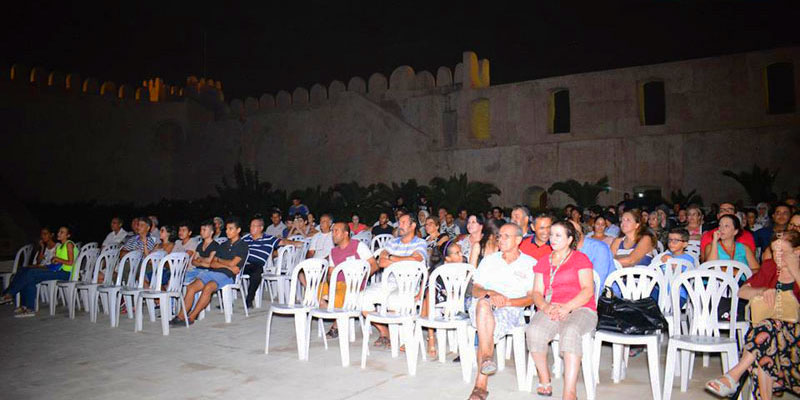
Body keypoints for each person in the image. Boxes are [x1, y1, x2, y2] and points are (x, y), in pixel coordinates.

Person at [705, 231, 800, 399]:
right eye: (774, 251)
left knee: (766, 332)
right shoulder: (771, 267)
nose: (776, 256)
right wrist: (763, 291)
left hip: (795, 339)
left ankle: (734, 376)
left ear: (797, 251)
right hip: (771, 336)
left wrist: (794, 268)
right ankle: (734, 377)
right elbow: (742, 291)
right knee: (766, 337)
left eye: (782, 252)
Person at [527, 221, 597, 399]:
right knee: (534, 330)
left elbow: (588, 290)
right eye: (551, 235)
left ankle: (570, 392)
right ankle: (545, 379)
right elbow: (536, 292)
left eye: (558, 235)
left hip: (581, 308)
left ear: (569, 239)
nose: (553, 238)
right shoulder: (544, 261)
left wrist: (567, 307)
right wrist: (545, 306)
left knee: (570, 331)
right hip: (552, 307)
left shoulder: (580, 259)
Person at [467, 224, 536, 400]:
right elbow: (475, 289)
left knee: (485, 325)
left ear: (519, 240)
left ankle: (480, 384)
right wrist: (492, 294)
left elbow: (532, 298)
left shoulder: (529, 264)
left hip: (511, 308)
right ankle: (487, 359)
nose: (501, 239)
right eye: (500, 236)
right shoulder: (490, 260)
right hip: (484, 305)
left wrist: (507, 301)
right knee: (483, 305)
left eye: (506, 236)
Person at [364, 214, 428, 347]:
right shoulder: (392, 242)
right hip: (390, 282)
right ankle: (385, 332)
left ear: (413, 225)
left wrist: (392, 257)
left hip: (409, 284)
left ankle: (404, 339)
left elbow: (416, 259)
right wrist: (405, 259)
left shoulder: (420, 242)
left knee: (393, 300)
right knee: (363, 298)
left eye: (404, 222)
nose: (400, 225)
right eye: (399, 223)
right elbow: (381, 262)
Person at [174, 218, 249, 325]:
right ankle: (180, 316)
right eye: (227, 228)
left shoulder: (243, 246)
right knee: (191, 287)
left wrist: (221, 262)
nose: (227, 231)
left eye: (230, 229)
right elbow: (213, 263)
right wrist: (225, 264)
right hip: (214, 272)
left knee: (208, 287)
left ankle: (191, 317)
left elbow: (233, 264)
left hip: (227, 275)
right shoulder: (223, 245)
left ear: (238, 230)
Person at [318, 222, 377, 339]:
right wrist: (330, 284)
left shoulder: (358, 246)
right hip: (338, 284)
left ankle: (337, 324)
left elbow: (374, 265)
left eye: (336, 231)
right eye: (332, 231)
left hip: (353, 285)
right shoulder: (333, 252)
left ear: (346, 233)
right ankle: (338, 316)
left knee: (336, 296)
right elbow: (330, 273)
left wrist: (360, 279)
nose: (333, 234)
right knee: (317, 290)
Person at [3, 226, 78, 317]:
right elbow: (56, 264)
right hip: (57, 270)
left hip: (66, 273)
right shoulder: (60, 247)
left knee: (30, 273)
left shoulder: (69, 244)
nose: (59, 233)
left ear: (68, 235)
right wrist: (49, 264)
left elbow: (70, 262)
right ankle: (25, 307)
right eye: (59, 231)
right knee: (28, 275)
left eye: (62, 232)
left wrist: (57, 259)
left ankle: (9, 295)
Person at [242, 216, 299, 308]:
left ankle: (249, 300)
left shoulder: (269, 239)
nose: (251, 228)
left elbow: (283, 242)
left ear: (261, 228)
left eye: (254, 226)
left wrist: (300, 243)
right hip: (242, 264)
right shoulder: (246, 238)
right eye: (251, 226)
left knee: (257, 271)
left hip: (256, 265)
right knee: (227, 268)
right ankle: (226, 300)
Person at [0, 227, 58, 306]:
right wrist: (42, 248)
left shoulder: (57, 247)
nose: (43, 236)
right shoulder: (44, 248)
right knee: (22, 269)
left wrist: (37, 267)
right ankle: (7, 294)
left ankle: (8, 294)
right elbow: (38, 262)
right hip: (40, 269)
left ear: (51, 235)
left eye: (45, 234)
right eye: (41, 234)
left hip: (48, 270)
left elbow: (53, 265)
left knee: (28, 272)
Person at [567, 219, 615, 297]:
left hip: (604, 296)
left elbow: (598, 282)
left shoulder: (599, 248)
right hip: (578, 293)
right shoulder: (567, 250)